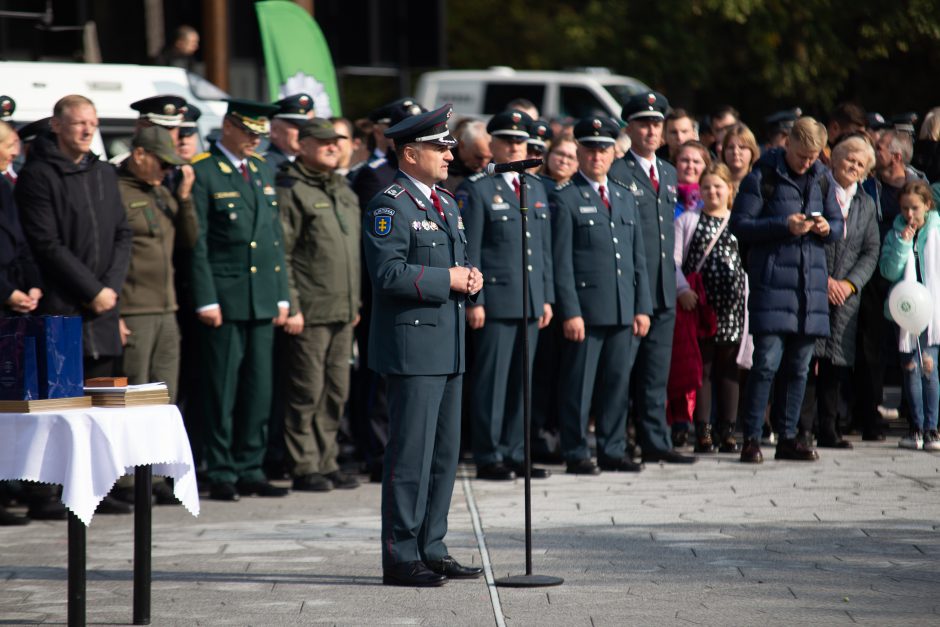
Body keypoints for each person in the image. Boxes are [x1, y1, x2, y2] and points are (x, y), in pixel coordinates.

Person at [361, 104, 483, 587]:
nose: (450, 155)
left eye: (450, 146)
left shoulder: (446, 202)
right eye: (440, 148)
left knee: (444, 456)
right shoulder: (389, 205)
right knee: (410, 456)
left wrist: (469, 277)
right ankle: (401, 554)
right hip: (413, 350)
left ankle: (432, 546)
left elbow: (459, 261)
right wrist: (447, 278)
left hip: (448, 347)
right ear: (410, 154)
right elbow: (387, 274)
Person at [16, 95, 134, 515]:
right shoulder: (39, 176)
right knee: (59, 404)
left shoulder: (103, 172)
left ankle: (98, 484)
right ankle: (47, 491)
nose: (87, 130)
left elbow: (123, 232)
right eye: (79, 123)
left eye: (92, 122)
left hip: (104, 306)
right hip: (64, 306)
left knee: (101, 401)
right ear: (57, 125)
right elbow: (46, 244)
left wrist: (110, 289)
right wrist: (91, 290)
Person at [189, 99, 290, 502]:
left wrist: (282, 295)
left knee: (259, 387)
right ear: (228, 126)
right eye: (248, 131)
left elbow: (273, 239)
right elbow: (197, 244)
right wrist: (205, 298)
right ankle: (221, 467)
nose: (254, 139)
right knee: (222, 387)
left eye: (259, 133)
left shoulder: (263, 170)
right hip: (226, 297)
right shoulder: (204, 171)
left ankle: (251, 464)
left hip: (262, 296)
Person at [730, 116, 843, 464]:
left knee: (799, 368)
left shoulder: (822, 178)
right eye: (801, 156)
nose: (807, 163)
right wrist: (784, 225)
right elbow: (740, 226)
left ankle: (789, 437)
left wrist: (826, 227)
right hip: (772, 285)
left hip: (809, 289)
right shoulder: (762, 177)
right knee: (765, 364)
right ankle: (751, 436)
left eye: (813, 157)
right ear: (788, 143)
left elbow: (838, 224)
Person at [551, 115, 651, 474]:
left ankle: (613, 448)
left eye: (604, 150)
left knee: (616, 384)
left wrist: (642, 307)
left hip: (624, 308)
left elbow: (637, 258)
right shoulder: (566, 198)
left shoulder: (624, 198)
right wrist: (571, 311)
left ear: (613, 154)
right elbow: (561, 262)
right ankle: (576, 450)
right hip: (587, 311)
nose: (597, 156)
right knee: (578, 386)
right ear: (579, 152)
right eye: (590, 149)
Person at [456, 110, 554, 481]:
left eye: (520, 141)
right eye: (507, 140)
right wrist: (474, 301)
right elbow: (471, 250)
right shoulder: (478, 189)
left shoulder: (535, 187)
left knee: (522, 383)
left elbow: (542, 251)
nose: (514, 147)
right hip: (495, 302)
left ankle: (516, 451)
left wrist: (545, 298)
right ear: (492, 145)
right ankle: (489, 453)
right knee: (492, 382)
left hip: (529, 301)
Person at [609, 91, 695, 464]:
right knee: (620, 372)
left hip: (662, 286)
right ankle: (613, 443)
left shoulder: (670, 172)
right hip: (630, 288)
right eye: (643, 123)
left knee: (656, 374)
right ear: (629, 127)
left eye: (656, 123)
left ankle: (655, 440)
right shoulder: (616, 170)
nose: (651, 130)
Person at [277, 119, 362, 492]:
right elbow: (284, 254)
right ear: (303, 145)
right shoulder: (291, 188)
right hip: (310, 310)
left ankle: (327, 460)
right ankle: (304, 463)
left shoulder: (343, 187)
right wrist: (292, 305)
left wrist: (354, 301)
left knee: (336, 390)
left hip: (343, 309)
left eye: (336, 142)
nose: (332, 147)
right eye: (323, 142)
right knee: (306, 390)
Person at [798, 134, 879, 449]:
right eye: (849, 159)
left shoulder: (866, 203)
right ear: (834, 159)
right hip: (813, 286)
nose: (854, 166)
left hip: (846, 295)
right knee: (806, 359)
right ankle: (802, 428)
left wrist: (848, 284)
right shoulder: (816, 189)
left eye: (861, 164)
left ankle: (829, 429)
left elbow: (871, 251)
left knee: (834, 363)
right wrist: (824, 280)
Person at [854, 128, 927, 441]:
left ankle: (920, 418)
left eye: (880, 147)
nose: (874, 149)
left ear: (897, 157)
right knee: (872, 350)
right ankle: (868, 417)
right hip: (875, 277)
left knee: (918, 350)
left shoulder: (921, 186)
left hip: (916, 281)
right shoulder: (866, 186)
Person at [675, 163, 747, 453]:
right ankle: (702, 432)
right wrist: (682, 290)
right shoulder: (688, 220)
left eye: (718, 186)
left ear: (729, 188)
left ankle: (727, 431)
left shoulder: (739, 220)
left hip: (732, 308)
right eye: (706, 187)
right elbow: (674, 260)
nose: (712, 192)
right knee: (701, 370)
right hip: (699, 306)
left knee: (729, 370)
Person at [879, 181, 940, 451]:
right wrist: (903, 244)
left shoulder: (937, 230)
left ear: (927, 205)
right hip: (904, 311)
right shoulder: (895, 232)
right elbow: (888, 271)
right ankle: (915, 426)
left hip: (931, 310)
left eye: (915, 208)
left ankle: (932, 428)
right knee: (910, 369)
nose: (910, 214)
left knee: (930, 368)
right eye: (905, 208)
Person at [266, 93, 315, 172]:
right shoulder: (265, 166)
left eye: (305, 128)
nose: (303, 133)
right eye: (297, 127)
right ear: (274, 130)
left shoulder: (310, 164)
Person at [443, 119, 490, 192]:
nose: (484, 164)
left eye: (489, 158)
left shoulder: (494, 171)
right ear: (462, 145)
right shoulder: (442, 169)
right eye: (478, 157)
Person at [674, 140, 712, 216]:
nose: (690, 166)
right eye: (685, 160)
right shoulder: (664, 194)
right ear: (676, 163)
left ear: (706, 167)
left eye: (696, 162)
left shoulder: (711, 196)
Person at [720, 123, 760, 190]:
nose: (735, 152)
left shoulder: (761, 182)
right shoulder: (715, 181)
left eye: (742, 147)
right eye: (730, 147)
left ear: (753, 151)